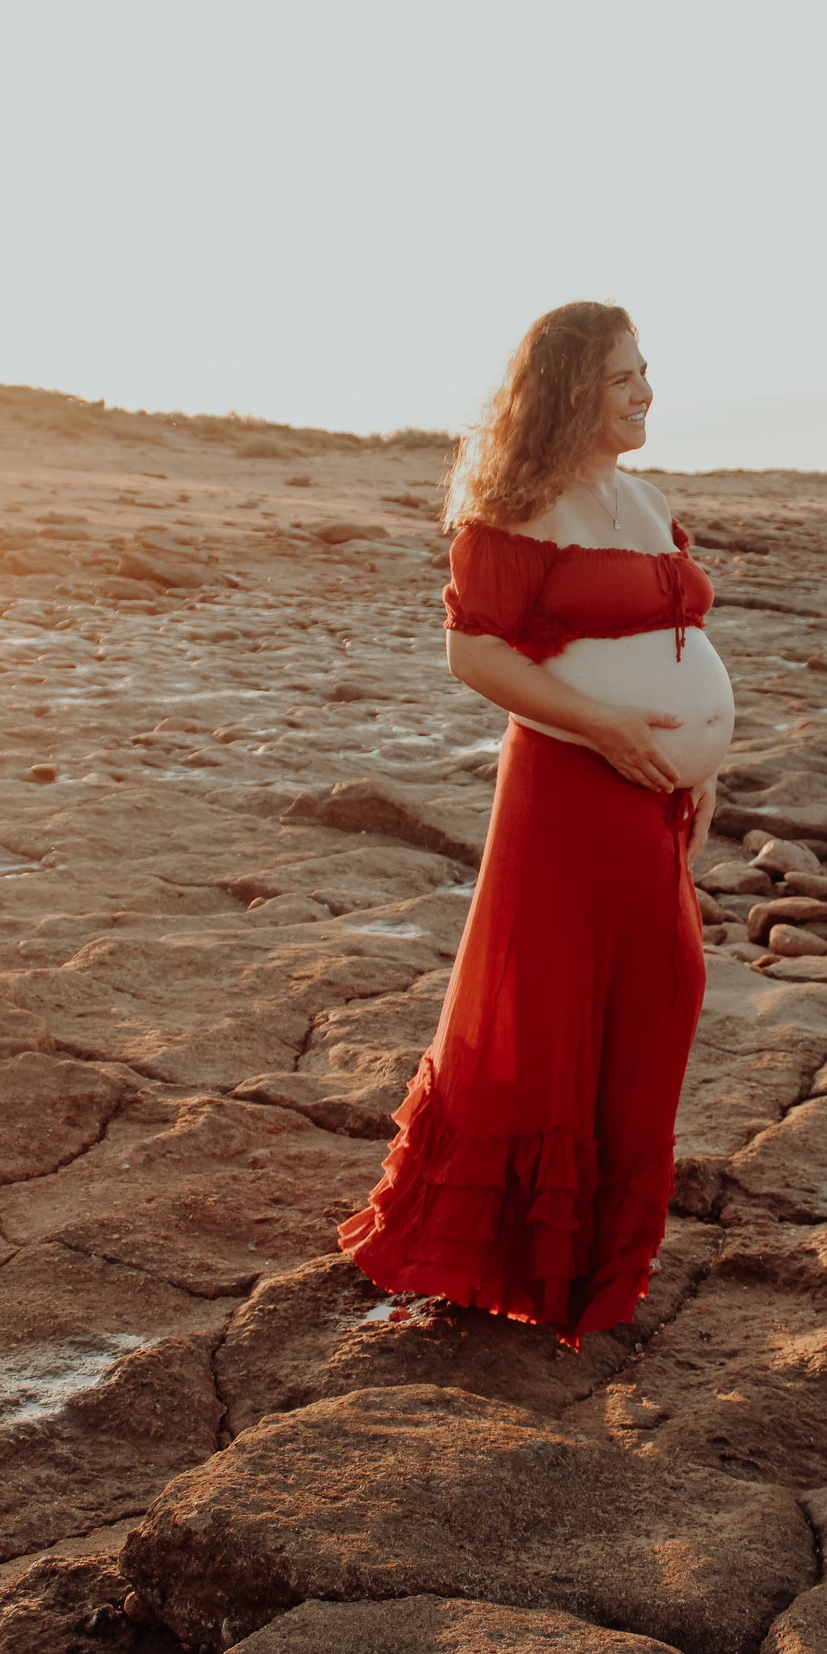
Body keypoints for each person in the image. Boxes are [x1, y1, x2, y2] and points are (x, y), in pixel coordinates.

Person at [338, 301, 734, 1346]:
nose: (645, 391)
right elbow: (476, 654)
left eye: (646, 370)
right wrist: (604, 726)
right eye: (621, 378)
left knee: (659, 986)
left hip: (657, 790)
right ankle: (516, 1259)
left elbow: (678, 643)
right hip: (571, 786)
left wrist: (705, 777)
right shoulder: (517, 504)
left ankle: (600, 1261)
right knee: (562, 1001)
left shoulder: (640, 496)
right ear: (566, 391)